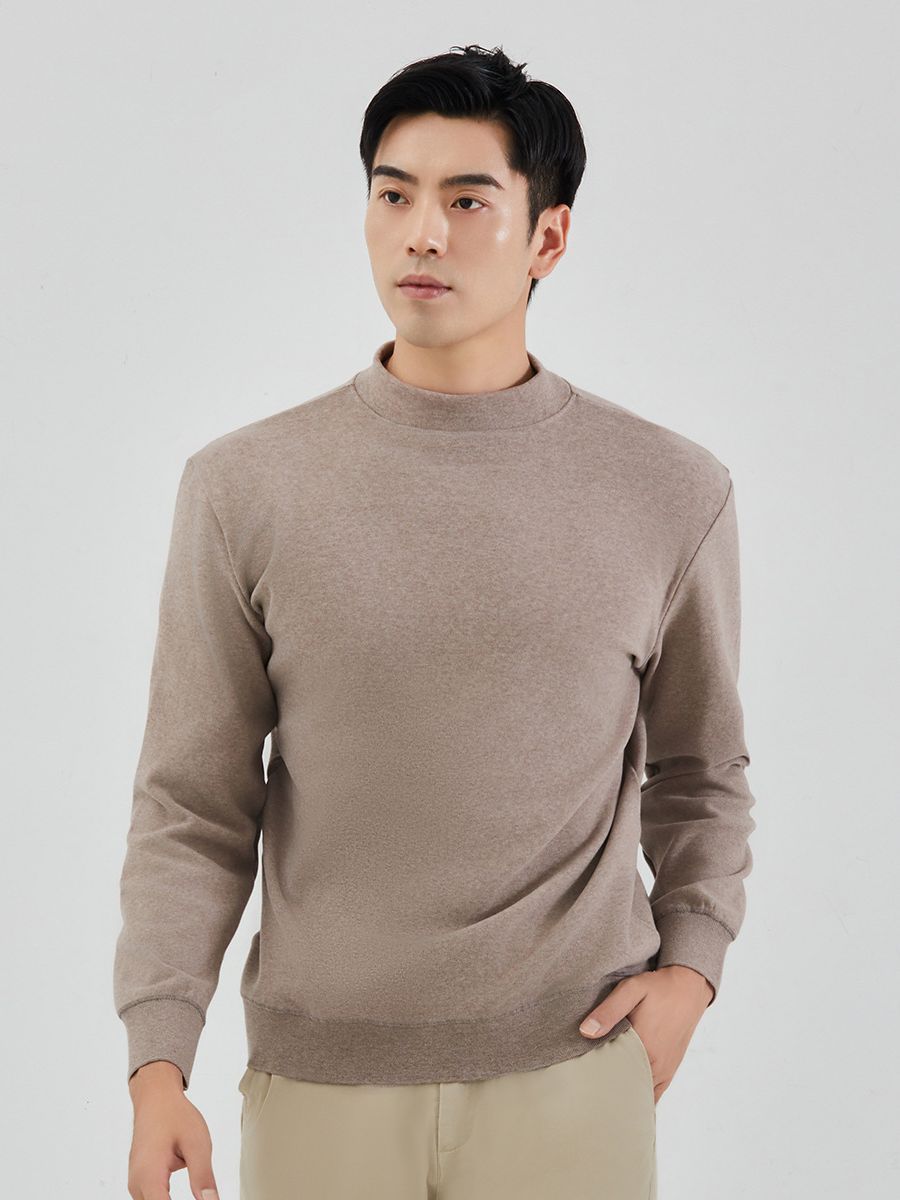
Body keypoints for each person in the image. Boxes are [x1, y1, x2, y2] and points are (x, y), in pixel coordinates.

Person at [114, 43, 756, 1200]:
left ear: (548, 237)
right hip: (319, 1083)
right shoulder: (243, 488)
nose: (421, 234)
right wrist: (158, 1061)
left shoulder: (671, 491)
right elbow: (192, 804)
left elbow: (703, 773)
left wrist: (693, 970)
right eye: (394, 195)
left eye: (467, 201)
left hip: (575, 1073)